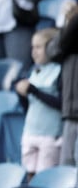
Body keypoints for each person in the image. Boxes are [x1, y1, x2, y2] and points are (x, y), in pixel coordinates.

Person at [16, 29, 63, 177]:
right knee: (29, 176)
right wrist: (22, 95)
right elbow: (29, 106)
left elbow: (61, 104)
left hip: (50, 135)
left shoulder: (60, 71)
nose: (34, 52)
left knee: (44, 178)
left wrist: (34, 91)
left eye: (38, 47)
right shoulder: (34, 71)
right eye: (32, 47)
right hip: (30, 132)